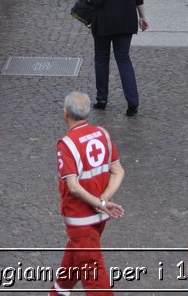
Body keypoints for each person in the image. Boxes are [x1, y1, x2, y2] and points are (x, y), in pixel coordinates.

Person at [49, 90, 125, 296]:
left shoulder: (67, 144)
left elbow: (73, 187)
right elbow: (118, 171)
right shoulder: (103, 134)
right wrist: (103, 200)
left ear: (66, 113)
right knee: (76, 256)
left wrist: (99, 203)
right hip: (99, 218)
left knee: (94, 277)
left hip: (80, 219)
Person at [76, 0, 147, 116]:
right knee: (123, 60)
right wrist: (142, 17)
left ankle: (102, 99)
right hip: (126, 22)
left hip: (104, 23)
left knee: (101, 59)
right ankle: (133, 102)